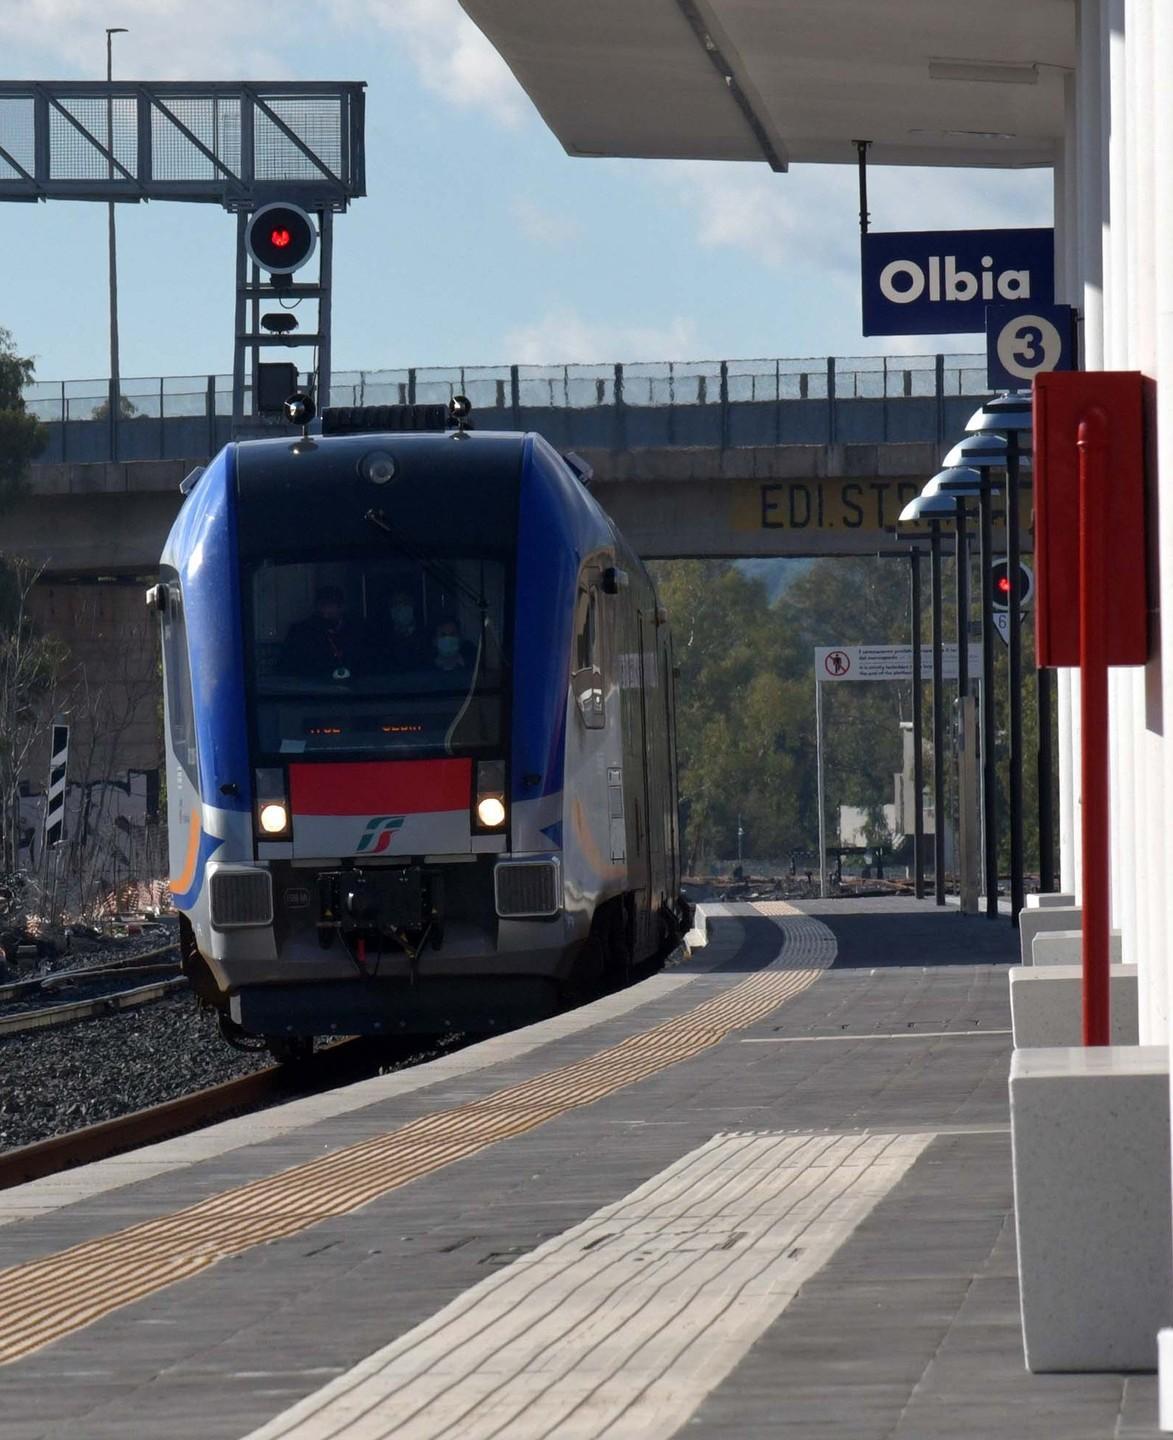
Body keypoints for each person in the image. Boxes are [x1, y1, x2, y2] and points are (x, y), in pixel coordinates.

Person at [278, 585, 365, 680]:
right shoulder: (300, 632)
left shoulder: (359, 631)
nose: (325, 613)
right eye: (322, 605)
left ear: (342, 607)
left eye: (330, 606)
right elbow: (285, 667)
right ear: (316, 607)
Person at [379, 588, 429, 671]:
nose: (399, 607)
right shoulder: (383, 640)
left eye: (404, 602)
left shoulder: (425, 636)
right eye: (395, 604)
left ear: (412, 604)